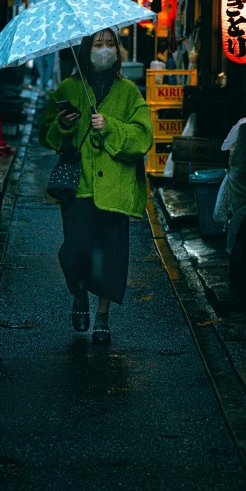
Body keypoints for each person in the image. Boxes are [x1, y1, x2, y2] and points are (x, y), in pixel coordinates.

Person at [39, 28, 153, 344]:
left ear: (118, 51)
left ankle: (102, 315)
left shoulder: (129, 92)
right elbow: (46, 134)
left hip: (115, 187)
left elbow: (143, 137)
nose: (104, 50)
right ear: (87, 50)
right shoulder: (69, 88)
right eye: (98, 44)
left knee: (111, 255)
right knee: (76, 250)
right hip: (79, 187)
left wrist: (111, 126)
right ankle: (78, 291)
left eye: (110, 44)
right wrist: (63, 125)